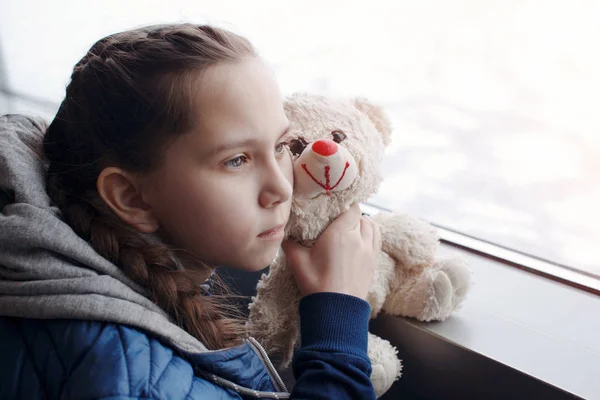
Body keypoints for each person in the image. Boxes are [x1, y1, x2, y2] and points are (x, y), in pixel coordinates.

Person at [0, 23, 381, 399]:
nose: (281, 189)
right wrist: (338, 322)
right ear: (132, 198)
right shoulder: (130, 376)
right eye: (237, 160)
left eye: (282, 145)